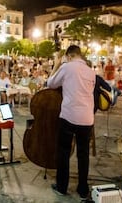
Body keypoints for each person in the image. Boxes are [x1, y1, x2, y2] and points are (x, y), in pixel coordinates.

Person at [46, 45, 95, 199]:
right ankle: (82, 189)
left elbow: (51, 83)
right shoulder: (91, 71)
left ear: (69, 55)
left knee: (64, 152)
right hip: (87, 118)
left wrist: (56, 65)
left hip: (69, 115)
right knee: (83, 155)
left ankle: (62, 187)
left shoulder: (67, 67)